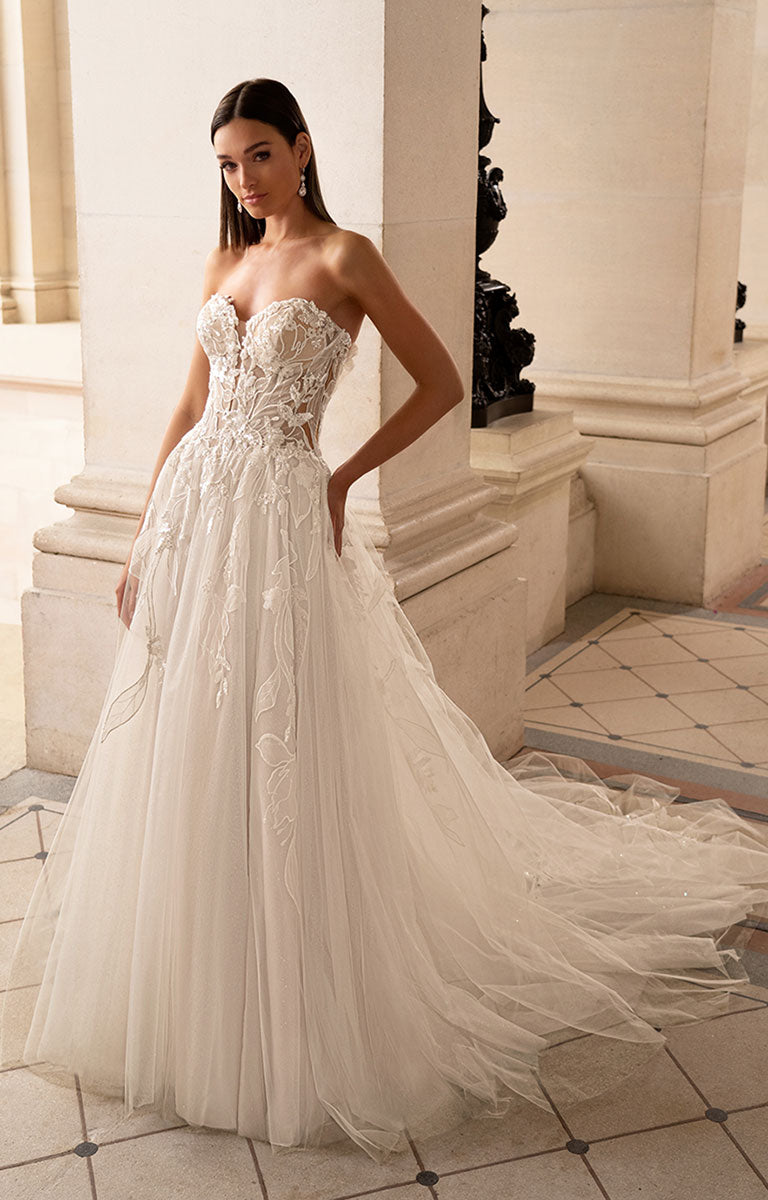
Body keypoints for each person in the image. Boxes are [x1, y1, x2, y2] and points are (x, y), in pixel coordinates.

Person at [2, 77, 768, 1168]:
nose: (243, 178)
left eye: (259, 154)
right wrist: (139, 537)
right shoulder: (224, 261)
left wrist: (343, 476)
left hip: (282, 518)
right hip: (200, 522)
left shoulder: (345, 257)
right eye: (227, 161)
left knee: (284, 740)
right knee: (193, 743)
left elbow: (442, 382)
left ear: (303, 148)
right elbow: (187, 408)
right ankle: (201, 990)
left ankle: (296, 997)